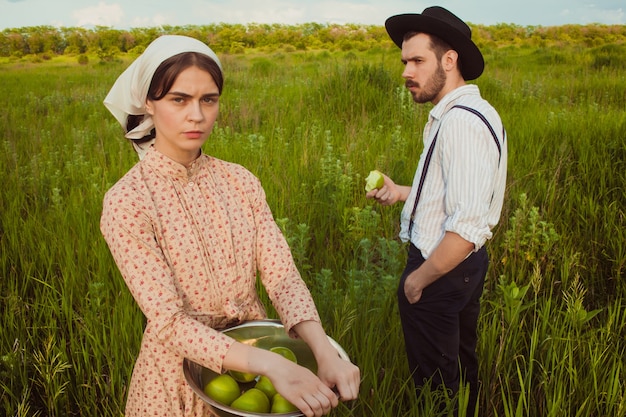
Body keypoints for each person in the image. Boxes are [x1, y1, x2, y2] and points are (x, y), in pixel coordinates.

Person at [101, 35, 360, 417]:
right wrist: (273, 365)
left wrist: (324, 352)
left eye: (209, 99)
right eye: (179, 99)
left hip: (256, 372)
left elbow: (282, 276)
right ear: (148, 104)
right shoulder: (128, 201)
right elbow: (169, 323)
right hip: (177, 382)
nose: (197, 115)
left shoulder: (240, 181)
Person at [367, 6, 507, 416]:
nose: (406, 72)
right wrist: (403, 193)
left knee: (435, 387)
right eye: (404, 62)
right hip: (463, 265)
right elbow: (462, 194)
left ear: (449, 60)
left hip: (441, 265)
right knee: (460, 367)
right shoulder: (474, 112)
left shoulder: (460, 123)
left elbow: (464, 227)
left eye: (417, 61)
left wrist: (416, 282)